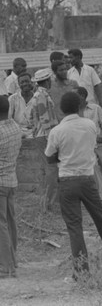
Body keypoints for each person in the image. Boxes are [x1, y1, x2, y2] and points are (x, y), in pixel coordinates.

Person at [44, 91, 102, 281]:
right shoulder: (90, 125)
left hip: (67, 180)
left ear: (61, 109)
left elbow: (49, 157)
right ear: (80, 107)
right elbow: (91, 145)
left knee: (74, 226)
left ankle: (82, 272)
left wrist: (62, 157)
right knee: (100, 217)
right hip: (88, 178)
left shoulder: (57, 131)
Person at [29, 68, 59, 211]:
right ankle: (48, 204)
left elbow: (31, 117)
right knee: (52, 169)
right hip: (45, 136)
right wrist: (51, 139)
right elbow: (44, 118)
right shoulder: (41, 95)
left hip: (41, 135)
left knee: (49, 169)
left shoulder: (39, 95)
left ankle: (48, 203)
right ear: (47, 81)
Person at [0, 96, 22, 279]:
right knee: (10, 220)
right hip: (11, 180)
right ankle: (13, 260)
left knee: (1, 225)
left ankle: (6, 267)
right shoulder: (15, 127)